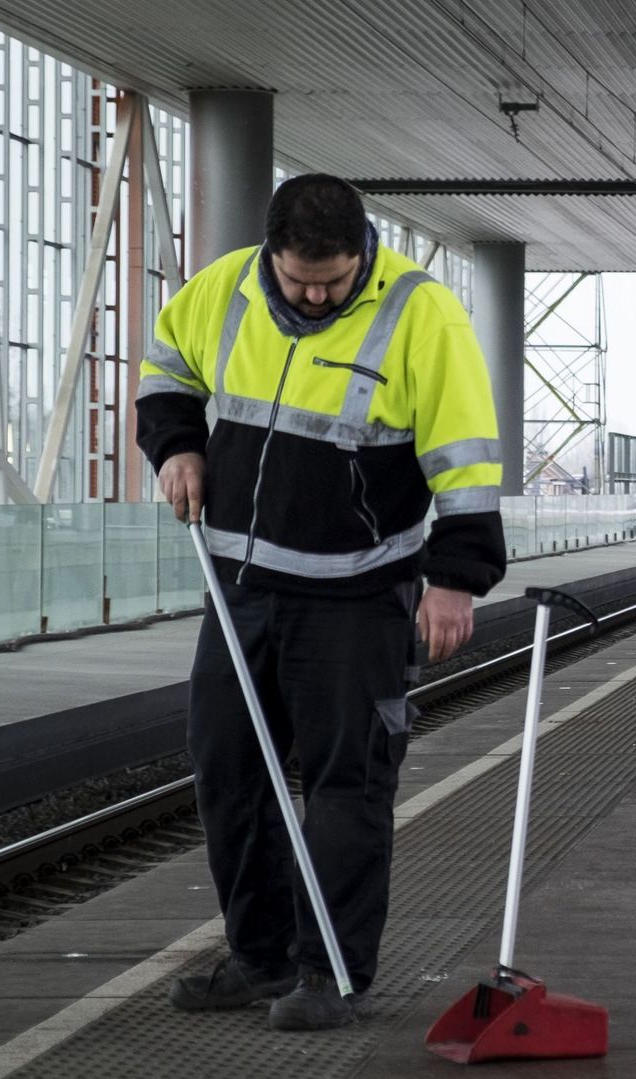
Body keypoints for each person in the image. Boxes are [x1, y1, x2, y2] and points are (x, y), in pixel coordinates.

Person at [135, 175, 506, 1028]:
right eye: (300, 278)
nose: (313, 294)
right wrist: (175, 446)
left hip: (355, 595)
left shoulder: (422, 314)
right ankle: (259, 959)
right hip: (239, 589)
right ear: (272, 251)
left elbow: (468, 454)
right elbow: (165, 369)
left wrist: (454, 578)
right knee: (230, 769)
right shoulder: (222, 289)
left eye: (332, 281)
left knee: (346, 787)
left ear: (361, 257)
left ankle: (330, 972)